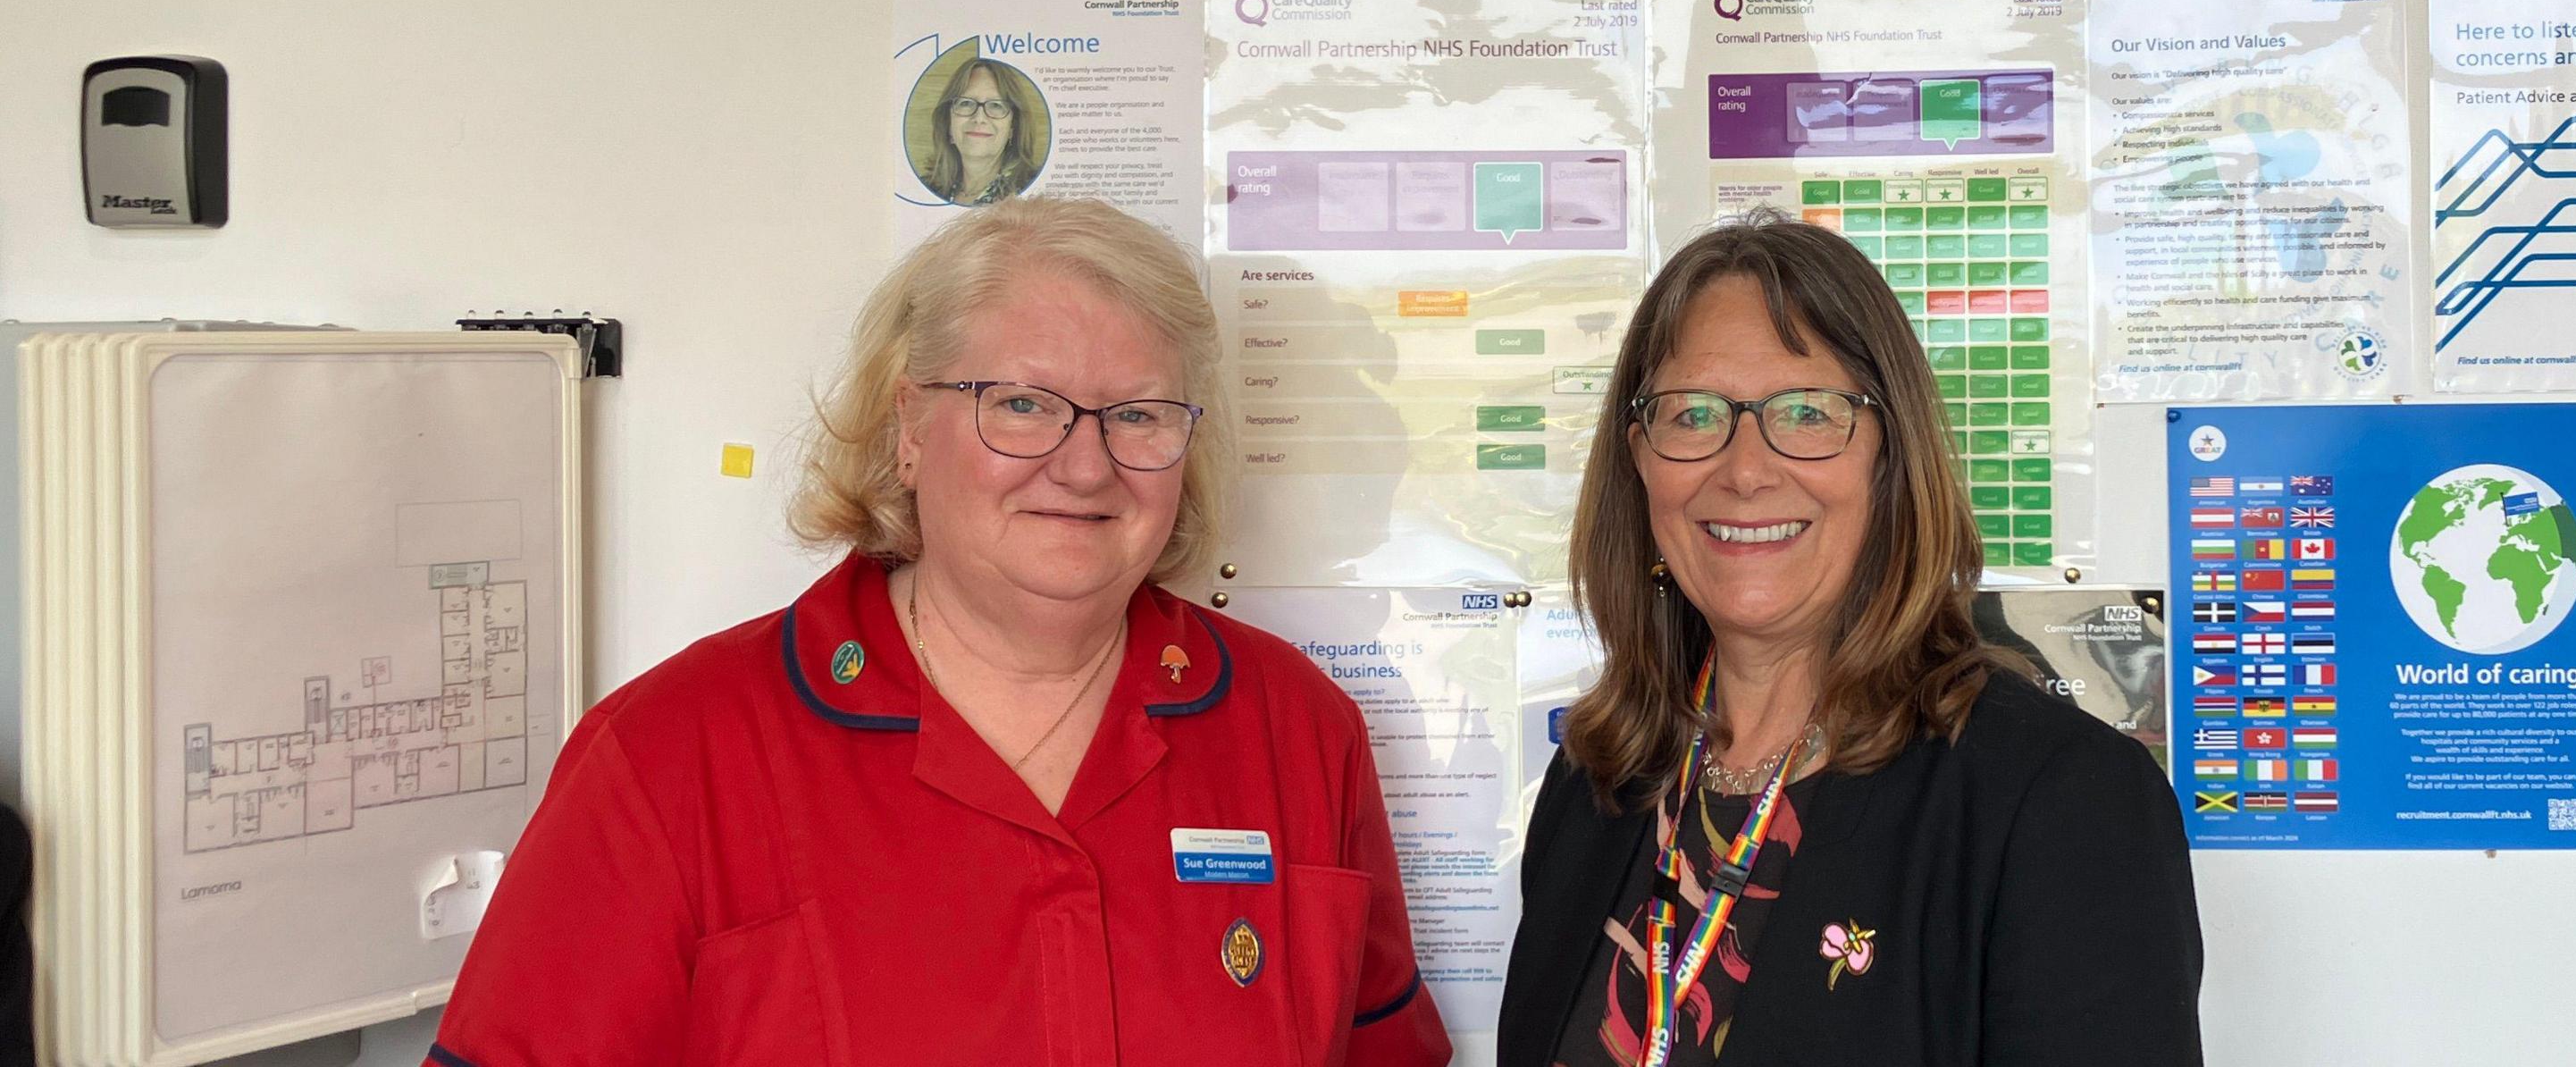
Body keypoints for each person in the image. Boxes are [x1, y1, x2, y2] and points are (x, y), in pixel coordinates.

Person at [433, 198, 1448, 1065]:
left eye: (1138, 414)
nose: (1086, 466)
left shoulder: (1298, 731)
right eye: (1020, 403)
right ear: (909, 428)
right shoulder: (669, 758)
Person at [1500, 214, 2201, 1067]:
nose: (1746, 469)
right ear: (1637, 459)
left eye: (1806, 411)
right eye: (1691, 415)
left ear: (1890, 458)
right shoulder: (1599, 782)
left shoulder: (2061, 800)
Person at [919, 55, 1043, 205]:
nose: (979, 118)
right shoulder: (925, 189)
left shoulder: (1033, 195)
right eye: (965, 103)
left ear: (1013, 128)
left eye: (996, 105)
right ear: (948, 124)